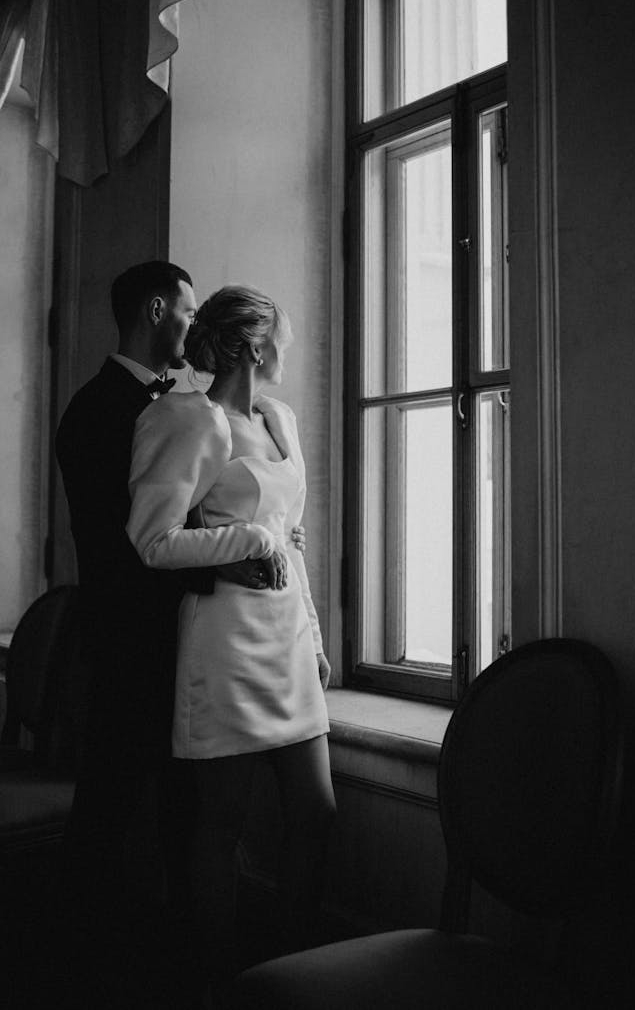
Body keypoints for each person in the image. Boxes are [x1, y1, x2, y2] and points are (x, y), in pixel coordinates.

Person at [55, 263, 306, 1006]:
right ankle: (77, 963)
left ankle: (176, 960)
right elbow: (121, 546)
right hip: (136, 644)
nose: (192, 326)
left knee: (182, 814)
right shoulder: (98, 410)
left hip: (196, 641)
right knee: (110, 804)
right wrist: (229, 564)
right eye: (187, 309)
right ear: (157, 309)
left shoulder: (189, 403)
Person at [125, 285, 335, 991]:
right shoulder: (190, 420)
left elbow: (291, 540)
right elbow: (151, 540)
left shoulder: (282, 418)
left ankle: (294, 968)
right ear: (252, 344)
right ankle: (220, 982)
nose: (288, 350)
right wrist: (242, 538)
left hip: (286, 637)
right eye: (281, 337)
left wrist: (312, 632)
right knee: (222, 823)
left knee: (316, 809)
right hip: (225, 640)